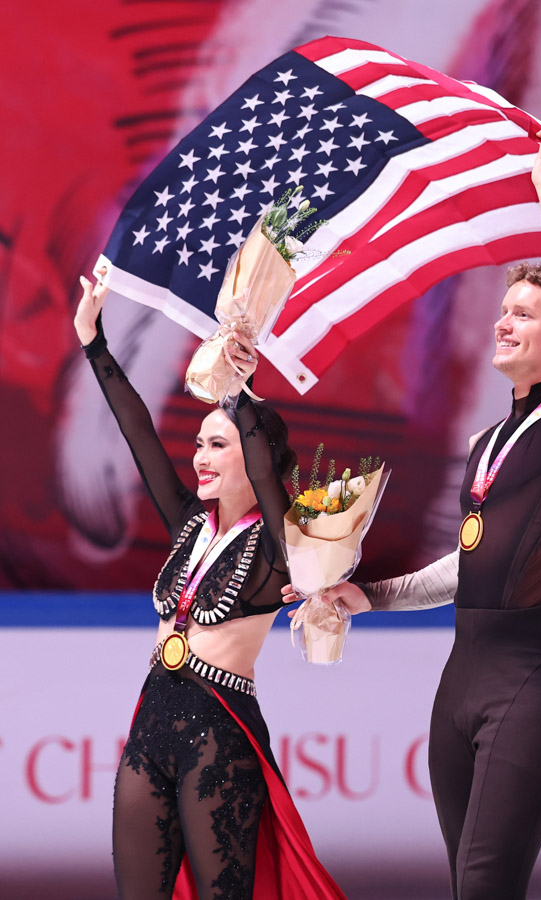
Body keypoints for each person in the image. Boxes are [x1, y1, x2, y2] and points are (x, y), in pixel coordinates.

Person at [288, 108, 541, 900]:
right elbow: (464, 567)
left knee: (481, 887)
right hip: (461, 678)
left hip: (537, 677)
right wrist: (362, 595)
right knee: (469, 887)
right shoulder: (486, 442)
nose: (501, 322)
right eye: (501, 310)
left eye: (523, 313)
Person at [74, 271, 346, 900]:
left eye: (215, 445)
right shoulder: (188, 526)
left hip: (219, 737)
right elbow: (140, 437)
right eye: (198, 442)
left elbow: (258, 448)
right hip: (150, 727)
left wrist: (239, 385)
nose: (198, 454)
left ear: (256, 461)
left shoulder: (285, 545)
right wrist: (95, 345)